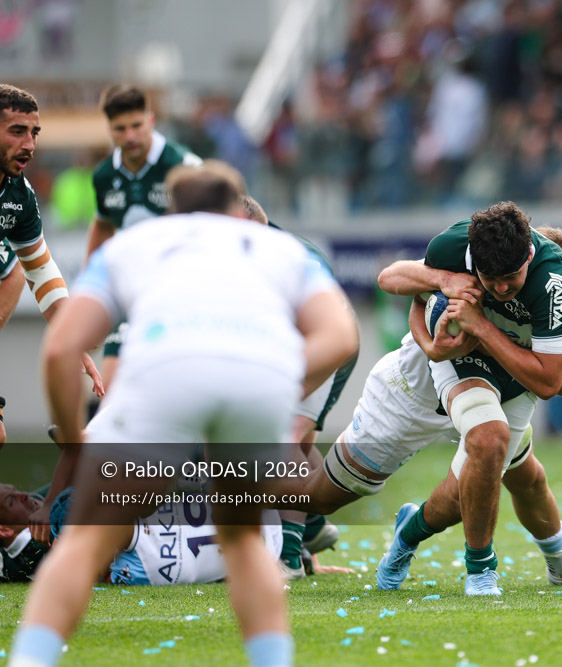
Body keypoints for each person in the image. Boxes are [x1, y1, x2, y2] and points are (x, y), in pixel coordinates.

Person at [7, 161, 359, 667]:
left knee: (86, 543)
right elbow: (343, 336)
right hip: (254, 380)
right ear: (238, 209)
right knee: (242, 540)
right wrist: (277, 379)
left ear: (171, 208)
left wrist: (73, 436)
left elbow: (61, 349)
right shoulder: (281, 249)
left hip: (161, 374)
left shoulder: (134, 245)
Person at [278, 219, 562, 594]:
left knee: (517, 473)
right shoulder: (458, 250)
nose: (499, 288)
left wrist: (481, 328)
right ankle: (241, 503)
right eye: (489, 277)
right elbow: (402, 286)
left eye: (511, 277)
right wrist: (435, 318)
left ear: (531, 259)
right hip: (415, 389)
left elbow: (560, 381)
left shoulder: (555, 289)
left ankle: (540, 567)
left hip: (499, 388)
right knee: (324, 495)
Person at [239, 193, 357, 578]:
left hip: (326, 343)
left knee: (287, 439)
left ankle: (288, 554)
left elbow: (328, 329)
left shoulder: (297, 258)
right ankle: (311, 529)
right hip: (283, 348)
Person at [0, 84, 103, 448]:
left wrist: (72, 340)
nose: (29, 143)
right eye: (17, 131)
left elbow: (40, 269)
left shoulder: (19, 196)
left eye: (34, 133)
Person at [86, 84, 202, 392]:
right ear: (109, 129)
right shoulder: (103, 176)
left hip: (181, 295)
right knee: (111, 387)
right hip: (130, 293)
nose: (130, 136)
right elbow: (102, 225)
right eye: (120, 129)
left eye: (136, 126)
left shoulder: (185, 167)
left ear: (151, 120)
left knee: (184, 389)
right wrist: (89, 286)